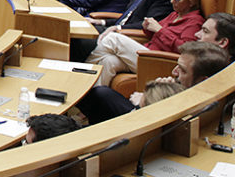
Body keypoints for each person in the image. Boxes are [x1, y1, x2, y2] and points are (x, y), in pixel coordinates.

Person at [86, 0, 204, 87]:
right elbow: (154, 34)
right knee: (109, 61)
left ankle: (83, 72)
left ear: (191, 2)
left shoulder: (195, 22)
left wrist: (160, 30)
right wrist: (147, 27)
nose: (172, 1)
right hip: (147, 53)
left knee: (113, 38)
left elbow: (185, 50)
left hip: (161, 62)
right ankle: (89, 95)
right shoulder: (175, 14)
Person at [78, 41, 229, 125]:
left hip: (141, 125)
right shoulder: (190, 88)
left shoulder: (207, 106)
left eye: (182, 70)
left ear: (203, 80)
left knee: (101, 95)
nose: (174, 72)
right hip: (144, 113)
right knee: (102, 88)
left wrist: (146, 99)